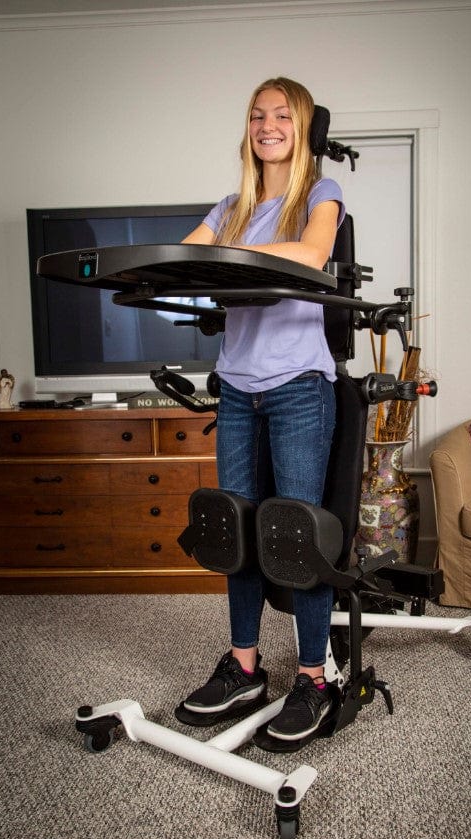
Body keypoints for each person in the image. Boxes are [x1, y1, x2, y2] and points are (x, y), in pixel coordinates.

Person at [177, 77, 345, 742]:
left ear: (301, 127)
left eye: (281, 115)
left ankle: (313, 677)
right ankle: (244, 667)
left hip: (300, 384)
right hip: (239, 387)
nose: (267, 125)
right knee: (235, 530)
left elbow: (312, 255)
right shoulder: (232, 205)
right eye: (257, 115)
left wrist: (230, 256)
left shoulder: (319, 195)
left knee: (297, 536)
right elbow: (189, 257)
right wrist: (216, 254)